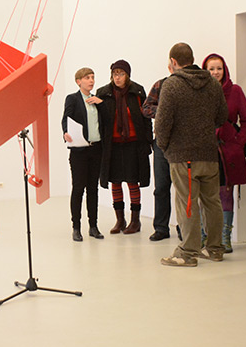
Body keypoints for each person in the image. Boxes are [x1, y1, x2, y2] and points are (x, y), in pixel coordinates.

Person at [155, 43, 228, 267]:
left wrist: (164, 147)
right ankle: (215, 249)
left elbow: (162, 122)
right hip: (209, 153)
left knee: (187, 203)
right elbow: (222, 117)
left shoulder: (172, 84)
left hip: (183, 155)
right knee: (212, 202)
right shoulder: (212, 83)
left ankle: (187, 253)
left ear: (173, 62)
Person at [202, 53, 246, 252]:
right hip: (205, 151)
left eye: (219, 68)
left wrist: (238, 142)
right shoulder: (200, 92)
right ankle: (205, 235)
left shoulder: (235, 91)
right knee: (205, 193)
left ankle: (225, 237)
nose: (216, 72)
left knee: (225, 193)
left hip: (228, 152)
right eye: (211, 69)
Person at [97, 60, 152, 234]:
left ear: (127, 75)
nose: (117, 77)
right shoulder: (103, 93)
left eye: (121, 74)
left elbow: (146, 119)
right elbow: (100, 121)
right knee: (115, 182)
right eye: (115, 74)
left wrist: (148, 142)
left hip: (133, 144)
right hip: (112, 145)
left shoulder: (137, 92)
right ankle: (120, 220)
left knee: (132, 181)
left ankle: (135, 221)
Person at [62, 67, 105, 241]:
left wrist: (101, 104)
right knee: (78, 188)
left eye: (93, 77)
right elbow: (66, 118)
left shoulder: (96, 100)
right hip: (79, 150)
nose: (91, 80)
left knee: (93, 189)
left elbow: (106, 120)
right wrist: (65, 132)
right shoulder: (72, 98)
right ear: (78, 81)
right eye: (87, 77)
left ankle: (93, 226)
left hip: (96, 149)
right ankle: (76, 227)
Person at [141, 71, 173, 242]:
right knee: (161, 188)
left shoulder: (188, 86)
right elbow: (146, 108)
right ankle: (161, 228)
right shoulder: (161, 84)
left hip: (183, 144)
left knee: (184, 190)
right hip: (160, 144)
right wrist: (164, 110)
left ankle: (184, 228)